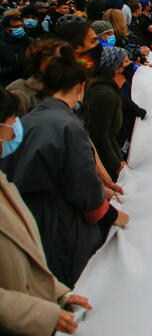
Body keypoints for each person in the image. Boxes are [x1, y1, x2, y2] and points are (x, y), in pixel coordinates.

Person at [0, 51, 128, 287]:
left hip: (28, 216)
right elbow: (83, 186)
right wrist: (110, 214)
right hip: (59, 223)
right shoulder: (69, 126)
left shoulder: (30, 119)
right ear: (80, 87)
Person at [0, 87, 93, 336]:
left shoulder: (3, 182)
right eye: (10, 125)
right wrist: (42, 313)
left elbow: (24, 254)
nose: (15, 132)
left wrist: (59, 293)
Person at [83, 48, 130, 182]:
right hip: (104, 168)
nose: (130, 64)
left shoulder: (110, 90)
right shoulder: (104, 95)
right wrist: (116, 165)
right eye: (126, 62)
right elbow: (100, 136)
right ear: (116, 68)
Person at [1, 10, 30, 86]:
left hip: (27, 82)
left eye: (21, 26)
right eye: (16, 27)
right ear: (7, 29)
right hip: (7, 84)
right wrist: (14, 69)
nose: (20, 28)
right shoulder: (2, 44)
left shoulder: (28, 41)